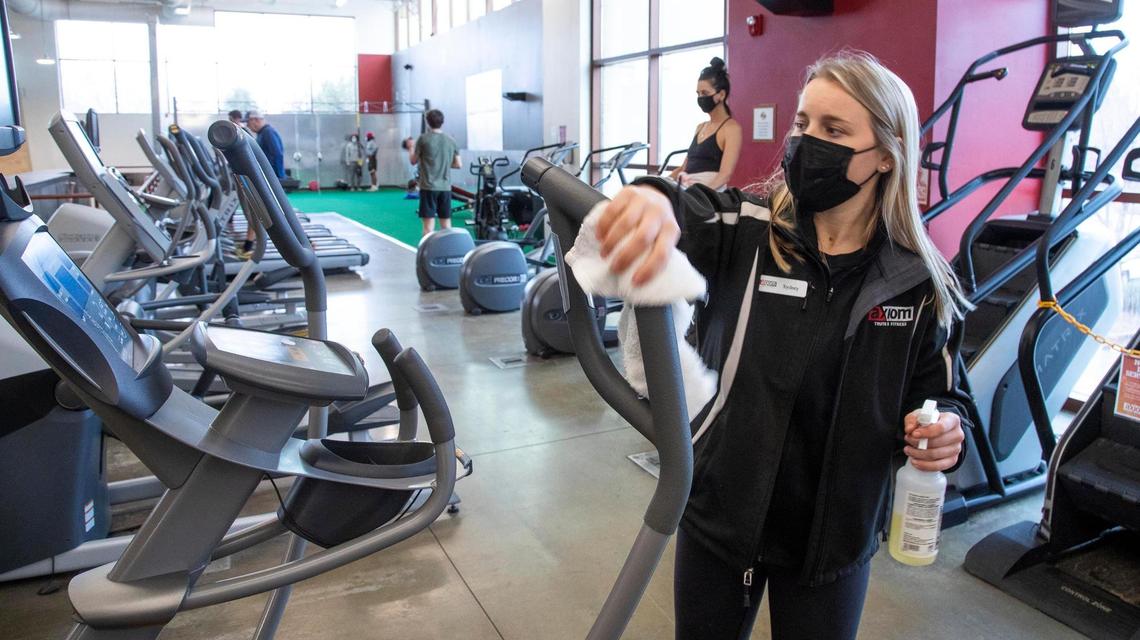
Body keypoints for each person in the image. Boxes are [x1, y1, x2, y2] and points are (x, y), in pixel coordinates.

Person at [596, 51, 972, 640]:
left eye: (834, 129)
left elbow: (944, 398)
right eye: (802, 124)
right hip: (720, 515)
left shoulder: (916, 281)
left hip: (831, 541)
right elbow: (686, 210)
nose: (805, 142)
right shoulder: (746, 228)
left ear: (885, 154)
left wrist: (945, 430)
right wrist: (648, 199)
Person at [669, 57, 742, 191]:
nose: (701, 98)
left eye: (705, 93)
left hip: (706, 197)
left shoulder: (731, 128)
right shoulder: (700, 127)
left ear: (721, 94)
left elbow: (725, 175)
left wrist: (700, 196)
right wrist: (660, 182)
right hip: (686, 190)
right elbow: (684, 167)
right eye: (698, 93)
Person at [410, 110, 461, 237]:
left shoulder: (423, 139)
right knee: (446, 225)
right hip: (445, 188)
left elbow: (413, 161)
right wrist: (442, 163)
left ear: (428, 122)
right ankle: (449, 254)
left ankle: (428, 255)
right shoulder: (451, 140)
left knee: (428, 228)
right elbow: (458, 164)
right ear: (442, 122)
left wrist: (411, 147)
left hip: (428, 187)